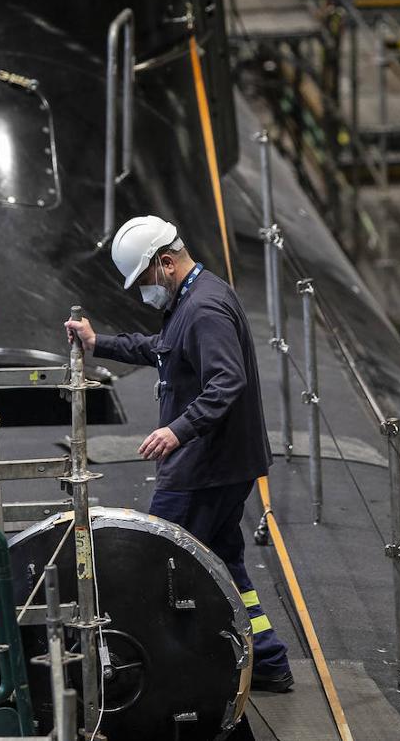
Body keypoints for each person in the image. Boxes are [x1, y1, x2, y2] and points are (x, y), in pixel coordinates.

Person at [64, 214, 293, 692]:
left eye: (144, 279)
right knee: (225, 565)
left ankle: (164, 676)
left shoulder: (205, 308)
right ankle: (267, 660)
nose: (143, 291)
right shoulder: (195, 297)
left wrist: (177, 431)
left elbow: (227, 380)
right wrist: (98, 342)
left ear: (166, 263)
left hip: (205, 468)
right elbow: (163, 349)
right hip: (222, 464)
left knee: (156, 561)